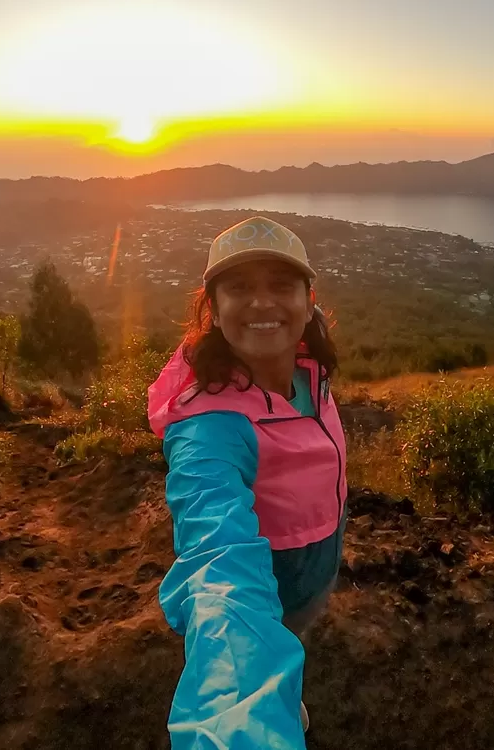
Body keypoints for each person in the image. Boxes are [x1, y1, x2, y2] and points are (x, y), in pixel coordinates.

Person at [147, 216, 347, 748]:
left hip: (319, 554)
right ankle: (276, 704)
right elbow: (220, 566)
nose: (262, 304)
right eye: (239, 288)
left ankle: (291, 686)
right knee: (263, 633)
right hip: (265, 572)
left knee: (296, 630)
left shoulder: (309, 366)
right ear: (212, 309)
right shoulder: (211, 427)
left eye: (281, 286)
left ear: (308, 301)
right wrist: (238, 728)